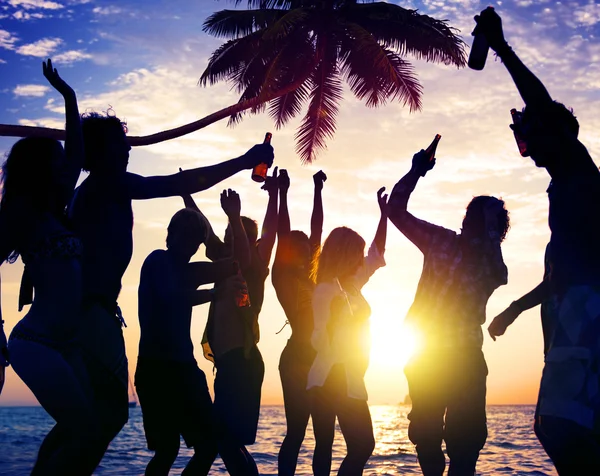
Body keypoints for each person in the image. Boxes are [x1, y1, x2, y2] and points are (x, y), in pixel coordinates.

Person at [67, 111, 273, 461]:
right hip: (94, 320)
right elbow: (176, 185)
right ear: (101, 151)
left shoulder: (106, 190)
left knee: (113, 423)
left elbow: (235, 265)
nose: (128, 149)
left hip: (105, 320)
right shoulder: (107, 188)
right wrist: (244, 160)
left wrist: (234, 222)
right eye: (120, 144)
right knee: (110, 423)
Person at [474, 8, 600, 474]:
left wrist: (501, 48)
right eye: (520, 143)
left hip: (586, 323)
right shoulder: (565, 186)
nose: (526, 153)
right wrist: (515, 310)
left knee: (565, 430)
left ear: (555, 133)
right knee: (558, 429)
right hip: (570, 321)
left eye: (528, 138)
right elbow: (559, 275)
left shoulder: (577, 168)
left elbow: (543, 106)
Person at [1, 60, 101, 475]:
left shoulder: (57, 207)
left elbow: (77, 151)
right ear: (40, 168)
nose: (65, 163)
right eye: (56, 158)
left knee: (85, 431)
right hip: (36, 342)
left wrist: (68, 96)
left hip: (67, 344)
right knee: (85, 430)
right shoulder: (22, 215)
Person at [387, 148, 509, 476]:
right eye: (478, 215)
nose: (480, 221)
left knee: (466, 444)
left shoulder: (492, 263)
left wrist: (492, 231)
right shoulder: (439, 240)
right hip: (426, 355)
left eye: (489, 219)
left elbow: (499, 275)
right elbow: (395, 210)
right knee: (425, 437)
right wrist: (415, 172)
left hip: (466, 360)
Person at [135, 190, 248, 476]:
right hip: (156, 370)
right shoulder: (157, 261)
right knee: (167, 449)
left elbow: (238, 262)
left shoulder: (191, 270)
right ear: (170, 234)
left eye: (195, 242)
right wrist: (215, 292)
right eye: (184, 237)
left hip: (185, 370)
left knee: (209, 445)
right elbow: (171, 296)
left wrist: (234, 217)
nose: (189, 246)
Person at [188, 168, 278, 474]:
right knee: (223, 443)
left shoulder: (252, 269)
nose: (230, 240)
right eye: (229, 234)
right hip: (228, 364)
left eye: (236, 234)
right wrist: (185, 193)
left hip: (243, 361)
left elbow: (266, 235)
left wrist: (238, 216)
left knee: (223, 442)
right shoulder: (223, 264)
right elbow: (204, 230)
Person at [307, 187, 388, 476]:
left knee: (355, 446)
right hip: (333, 375)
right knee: (353, 444)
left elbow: (376, 254)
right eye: (355, 253)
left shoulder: (352, 283)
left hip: (348, 375)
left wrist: (384, 214)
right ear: (344, 254)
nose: (360, 258)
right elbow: (318, 336)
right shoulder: (326, 290)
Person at [272, 169, 326, 476]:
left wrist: (318, 190)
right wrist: (282, 192)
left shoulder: (312, 276)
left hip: (321, 358)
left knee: (324, 436)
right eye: (302, 246)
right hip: (296, 359)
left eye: (310, 246)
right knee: (296, 433)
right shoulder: (283, 276)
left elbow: (317, 231)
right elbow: (283, 234)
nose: (309, 247)